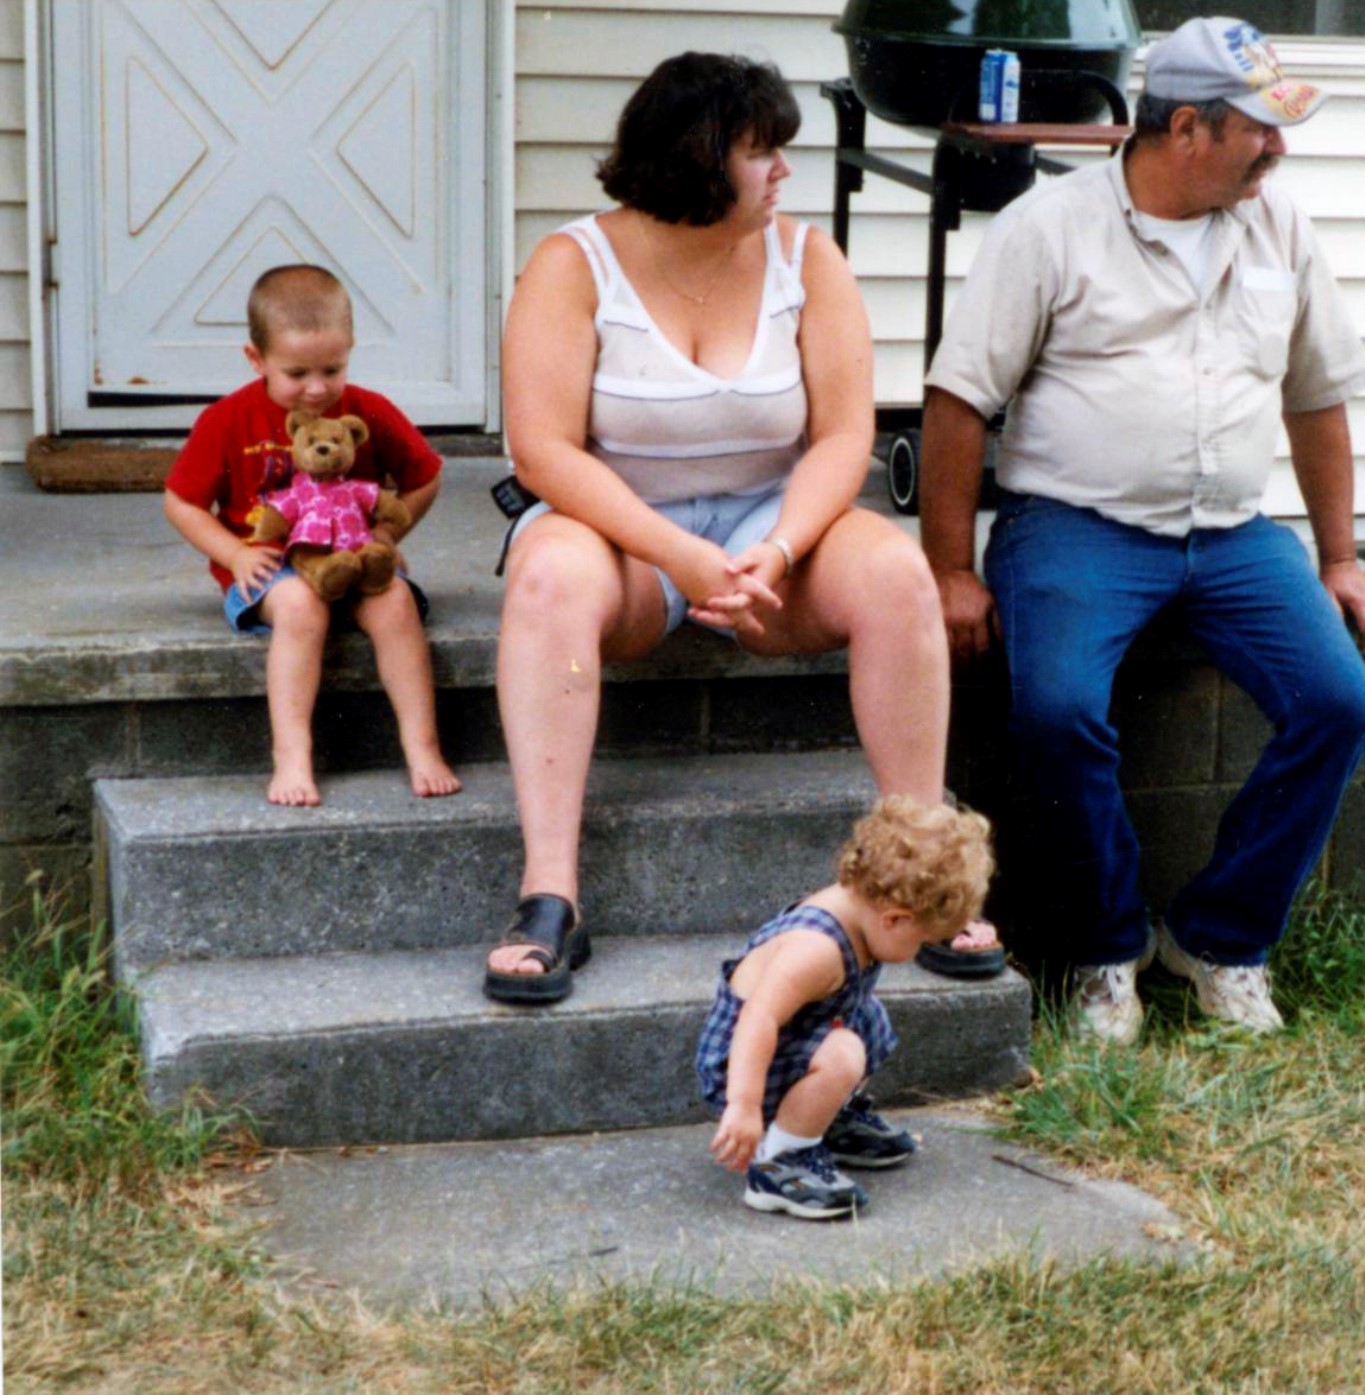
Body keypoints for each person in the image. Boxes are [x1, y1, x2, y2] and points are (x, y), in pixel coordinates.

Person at [484, 53, 1000, 1005]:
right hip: (621, 530)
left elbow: (844, 435)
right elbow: (542, 451)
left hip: (773, 526)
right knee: (549, 577)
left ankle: (924, 873)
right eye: (763, 152)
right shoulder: (573, 263)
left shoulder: (807, 259)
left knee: (897, 572)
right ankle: (550, 892)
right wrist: (678, 553)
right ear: (698, 156)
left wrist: (783, 546)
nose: (783, 172)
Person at [919, 18, 1365, 1043]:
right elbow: (958, 403)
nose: (1277, 148)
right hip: (1073, 527)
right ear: (1185, 129)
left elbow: (1316, 399)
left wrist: (1339, 557)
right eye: (1258, 129)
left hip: (1233, 535)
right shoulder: (1048, 229)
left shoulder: (1280, 227)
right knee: (1055, 712)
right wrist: (950, 569)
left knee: (1339, 703)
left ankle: (1220, 938)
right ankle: (1105, 949)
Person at [163, 264, 460, 808]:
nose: (317, 388)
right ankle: (292, 755)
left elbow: (426, 476)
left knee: (396, 603)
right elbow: (181, 502)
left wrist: (387, 533)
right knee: (302, 606)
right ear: (256, 359)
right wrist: (234, 554)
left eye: (332, 368)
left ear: (350, 349)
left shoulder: (368, 410)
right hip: (273, 569)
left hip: (355, 556)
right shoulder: (227, 419)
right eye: (297, 372)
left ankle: (423, 747)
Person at [696, 796, 993, 1219]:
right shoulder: (817, 950)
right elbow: (757, 1017)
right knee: (844, 1053)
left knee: (866, 1019)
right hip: (744, 1067)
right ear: (894, 919)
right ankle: (779, 1163)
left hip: (787, 1043)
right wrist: (744, 1104)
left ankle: (822, 1120)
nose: (918, 952)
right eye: (921, 941)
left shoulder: (862, 907)